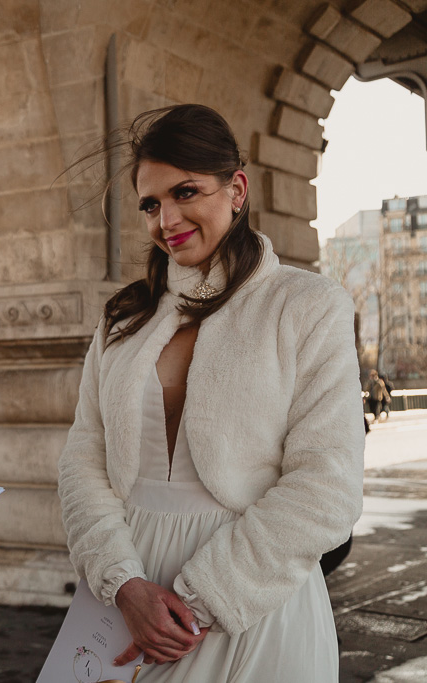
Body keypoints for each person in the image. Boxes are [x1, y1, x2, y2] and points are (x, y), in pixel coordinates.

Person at [57, 104, 364, 682]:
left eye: (186, 191)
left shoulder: (307, 305)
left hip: (252, 596)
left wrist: (198, 605)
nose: (165, 218)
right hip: (127, 592)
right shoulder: (123, 317)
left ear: (237, 190)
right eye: (150, 203)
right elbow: (83, 456)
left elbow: (327, 483)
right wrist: (121, 581)